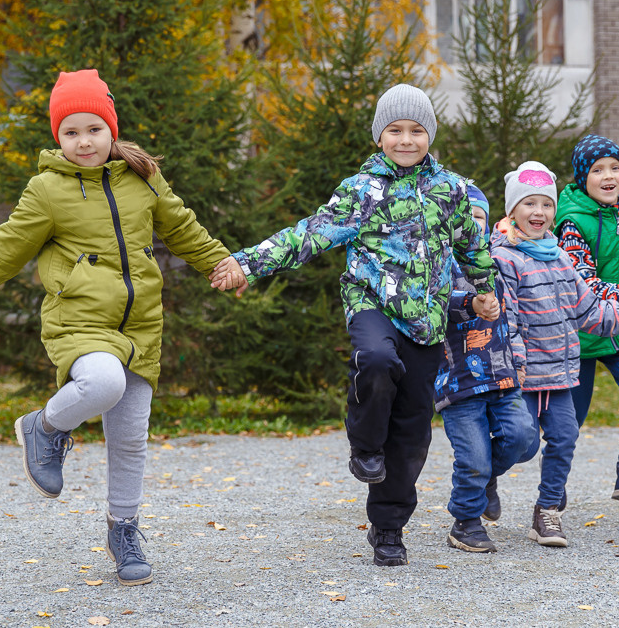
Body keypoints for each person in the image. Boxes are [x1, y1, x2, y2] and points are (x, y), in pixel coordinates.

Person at [0, 69, 232, 586]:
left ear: (110, 130)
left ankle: (124, 531)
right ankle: (45, 427)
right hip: (78, 323)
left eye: (93, 129)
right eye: (71, 131)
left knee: (130, 439)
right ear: (58, 136)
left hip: (141, 326)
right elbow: (4, 248)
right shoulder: (47, 190)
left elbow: (181, 226)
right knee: (102, 382)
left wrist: (220, 263)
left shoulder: (142, 176)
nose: (83, 141)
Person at [209, 83, 499, 566]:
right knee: (377, 360)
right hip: (372, 306)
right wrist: (247, 263)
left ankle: (388, 529)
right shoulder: (361, 191)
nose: (406, 139)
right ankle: (364, 444)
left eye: (416, 130)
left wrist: (486, 290)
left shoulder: (452, 190)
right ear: (379, 136)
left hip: (426, 321)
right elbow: (309, 234)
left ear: (430, 134)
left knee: (411, 432)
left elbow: (473, 246)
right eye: (395, 130)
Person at [491, 161, 619, 548]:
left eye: (546, 205)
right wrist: (517, 367)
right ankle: (485, 476)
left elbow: (585, 310)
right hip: (522, 376)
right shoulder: (505, 259)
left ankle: (547, 511)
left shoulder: (562, 258)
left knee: (565, 437)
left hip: (559, 376)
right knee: (520, 442)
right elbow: (509, 321)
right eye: (529, 204)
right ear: (513, 211)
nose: (539, 213)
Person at [555, 134, 619, 502]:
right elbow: (580, 276)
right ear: (583, 177)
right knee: (570, 421)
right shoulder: (571, 222)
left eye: (615, 167)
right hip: (580, 330)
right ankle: (553, 489)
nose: (608, 175)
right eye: (598, 169)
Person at [434, 183, 537, 554]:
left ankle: (485, 481)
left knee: (524, 437)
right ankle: (466, 521)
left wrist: (520, 361)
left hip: (502, 375)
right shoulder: (437, 266)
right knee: (473, 457)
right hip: (458, 382)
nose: (472, 226)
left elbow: (514, 320)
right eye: (464, 221)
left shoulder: (496, 264)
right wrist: (471, 302)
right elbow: (438, 303)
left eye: (478, 218)